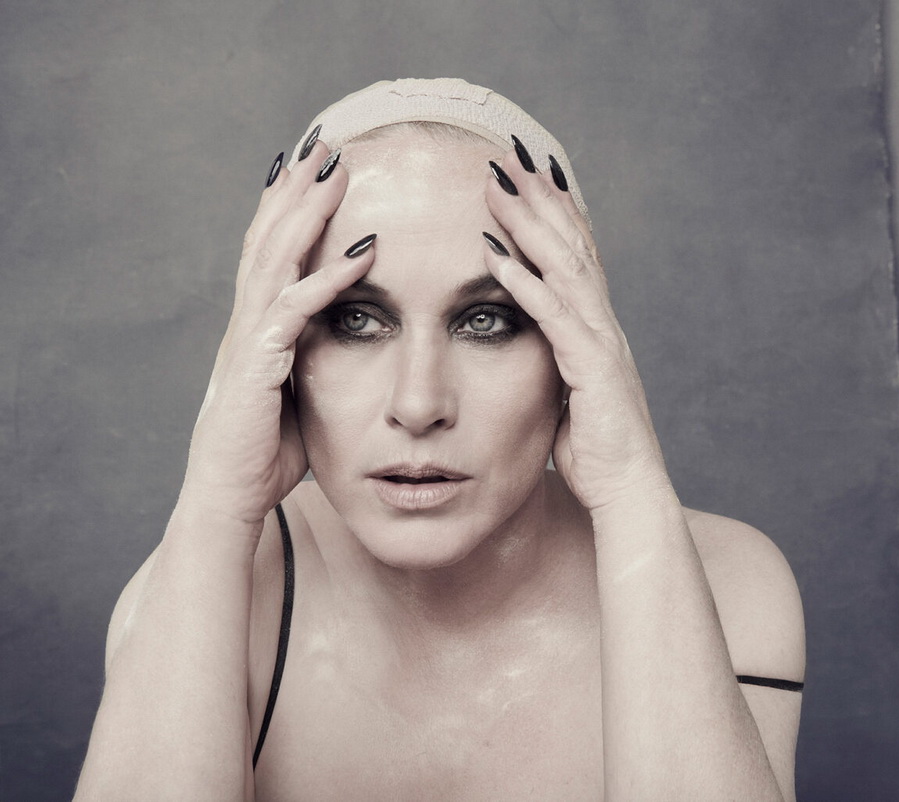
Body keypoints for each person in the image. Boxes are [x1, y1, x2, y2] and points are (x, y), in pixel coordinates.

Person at [74, 78, 805, 801]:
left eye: (487, 321)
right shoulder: (201, 588)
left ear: (573, 349)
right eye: (355, 320)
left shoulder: (725, 583)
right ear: (283, 353)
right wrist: (215, 505)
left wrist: (632, 495)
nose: (418, 404)